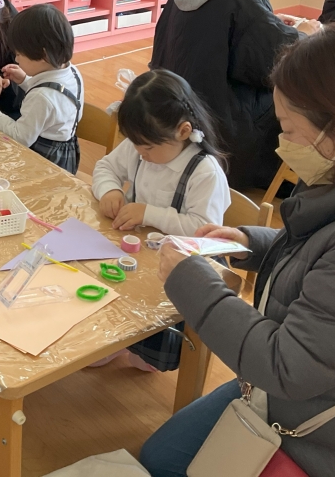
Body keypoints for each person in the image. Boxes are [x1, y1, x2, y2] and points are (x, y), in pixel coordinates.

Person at [139, 24, 335, 477]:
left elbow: (286, 367)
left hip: (333, 432)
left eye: (289, 129)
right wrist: (253, 243)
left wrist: (191, 282)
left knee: (167, 464)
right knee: (161, 457)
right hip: (301, 391)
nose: (281, 143)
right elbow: (328, 263)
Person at [149, 0, 317, 190]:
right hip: (217, 124)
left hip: (174, 106)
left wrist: (270, 21)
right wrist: (305, 34)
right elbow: (271, 60)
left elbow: (224, 29)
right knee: (295, 99)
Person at [89, 69, 230, 372]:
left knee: (150, 328)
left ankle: (143, 349)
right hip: (139, 252)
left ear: (183, 131)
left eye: (148, 148)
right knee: (109, 285)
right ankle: (116, 338)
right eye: (136, 146)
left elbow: (205, 231)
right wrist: (110, 190)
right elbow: (105, 167)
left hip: (184, 265)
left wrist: (148, 213)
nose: (141, 154)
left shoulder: (204, 171)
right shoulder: (143, 146)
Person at [0, 4, 84, 173]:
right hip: (66, 152)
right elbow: (54, 107)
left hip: (44, 159)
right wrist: (25, 80)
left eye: (19, 54)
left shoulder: (41, 97)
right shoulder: (72, 72)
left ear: (43, 55)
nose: (17, 59)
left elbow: (21, 137)